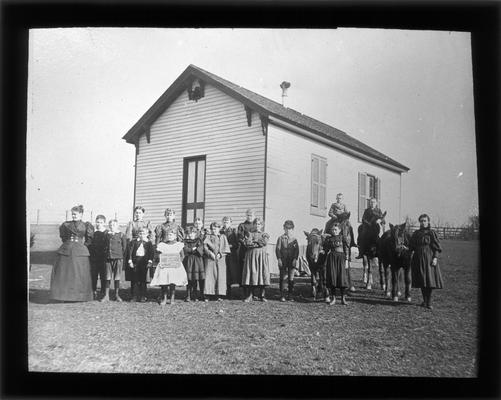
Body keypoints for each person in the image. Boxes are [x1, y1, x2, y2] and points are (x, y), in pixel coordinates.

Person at [49, 205, 94, 302]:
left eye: (76, 214)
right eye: (72, 214)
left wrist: (82, 246)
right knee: (65, 273)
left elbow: (89, 239)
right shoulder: (66, 225)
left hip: (80, 251)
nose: (74, 216)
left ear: (81, 214)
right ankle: (63, 296)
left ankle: (79, 296)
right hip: (67, 249)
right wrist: (69, 244)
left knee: (79, 273)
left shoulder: (86, 225)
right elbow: (63, 237)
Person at [409, 214, 443, 310]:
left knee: (430, 280)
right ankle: (424, 301)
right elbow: (411, 246)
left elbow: (436, 247)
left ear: (428, 221)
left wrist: (435, 258)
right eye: (421, 221)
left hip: (429, 258)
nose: (423, 222)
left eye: (425, 220)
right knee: (422, 280)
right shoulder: (416, 233)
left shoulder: (432, 233)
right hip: (418, 259)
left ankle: (429, 302)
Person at [150, 229, 188, 305]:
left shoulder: (178, 245)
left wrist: (177, 262)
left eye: (171, 235)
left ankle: (172, 298)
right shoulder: (162, 245)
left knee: (172, 282)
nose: (169, 236)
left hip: (174, 267)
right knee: (164, 282)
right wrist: (160, 258)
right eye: (168, 235)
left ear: (175, 236)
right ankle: (164, 298)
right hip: (165, 267)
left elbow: (182, 256)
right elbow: (158, 255)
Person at [241, 217, 270, 302]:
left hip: (261, 256)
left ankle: (262, 295)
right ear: (253, 225)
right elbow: (247, 243)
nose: (257, 225)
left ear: (262, 225)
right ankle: (249, 295)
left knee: (262, 274)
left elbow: (263, 243)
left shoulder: (265, 234)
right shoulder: (250, 234)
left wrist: (254, 242)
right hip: (251, 256)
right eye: (256, 224)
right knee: (251, 274)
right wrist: (256, 242)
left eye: (259, 224)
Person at [101, 219, 127, 302]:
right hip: (108, 259)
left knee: (117, 277)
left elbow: (124, 248)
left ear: (117, 226)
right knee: (107, 277)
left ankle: (116, 295)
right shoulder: (106, 235)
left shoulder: (122, 235)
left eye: (114, 225)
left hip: (118, 259)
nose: (112, 227)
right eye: (110, 225)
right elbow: (103, 246)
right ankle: (106, 295)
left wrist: (120, 256)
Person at [323, 223, 349, 305]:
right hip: (332, 259)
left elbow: (346, 249)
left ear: (340, 230)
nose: (334, 231)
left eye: (336, 230)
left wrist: (347, 260)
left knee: (342, 278)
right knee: (333, 278)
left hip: (341, 259)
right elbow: (326, 249)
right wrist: (322, 251)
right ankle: (333, 298)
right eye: (332, 230)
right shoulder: (329, 239)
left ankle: (343, 299)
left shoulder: (343, 238)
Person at [203, 222, 231, 301]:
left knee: (220, 276)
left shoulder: (223, 237)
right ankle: (208, 294)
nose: (214, 230)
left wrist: (221, 254)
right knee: (210, 275)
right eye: (212, 229)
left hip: (220, 259)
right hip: (210, 258)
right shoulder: (208, 237)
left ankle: (219, 294)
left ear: (219, 229)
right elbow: (205, 247)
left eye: (215, 229)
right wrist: (210, 253)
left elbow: (226, 248)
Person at [125, 227, 154, 302]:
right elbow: (130, 252)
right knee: (134, 280)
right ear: (138, 234)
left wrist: (150, 262)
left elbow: (151, 253)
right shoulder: (133, 242)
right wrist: (130, 261)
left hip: (144, 262)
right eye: (140, 233)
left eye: (144, 233)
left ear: (147, 234)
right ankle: (134, 295)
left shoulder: (149, 243)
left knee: (143, 280)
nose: (142, 235)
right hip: (135, 262)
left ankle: (143, 296)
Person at [275, 220, 299, 302]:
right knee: (283, 278)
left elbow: (297, 251)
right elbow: (277, 249)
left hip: (291, 261)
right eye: (286, 228)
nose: (288, 230)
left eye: (290, 228)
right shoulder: (281, 238)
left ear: (292, 229)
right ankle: (282, 294)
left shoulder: (294, 240)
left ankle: (290, 294)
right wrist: (279, 259)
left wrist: (295, 259)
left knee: (291, 278)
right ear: (284, 228)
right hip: (283, 261)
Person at [182, 226, 205, 302]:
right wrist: (193, 249)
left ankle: (195, 295)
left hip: (197, 261)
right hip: (188, 261)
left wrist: (193, 250)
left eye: (192, 233)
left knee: (195, 278)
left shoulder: (199, 240)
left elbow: (200, 250)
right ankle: (188, 295)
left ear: (195, 233)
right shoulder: (185, 241)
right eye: (189, 233)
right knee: (189, 279)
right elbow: (186, 250)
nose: (191, 235)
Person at [88, 214, 108, 300]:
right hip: (94, 257)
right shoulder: (94, 234)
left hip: (104, 258)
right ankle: (94, 291)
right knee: (94, 275)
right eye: (97, 222)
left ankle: (103, 292)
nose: (99, 224)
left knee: (104, 275)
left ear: (104, 223)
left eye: (101, 222)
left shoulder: (107, 233)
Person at [237, 209, 256, 297]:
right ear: (246, 216)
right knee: (244, 271)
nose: (249, 217)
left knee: (253, 270)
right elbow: (240, 237)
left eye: (251, 215)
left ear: (254, 216)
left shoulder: (256, 225)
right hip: (244, 250)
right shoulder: (242, 225)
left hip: (254, 251)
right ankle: (245, 292)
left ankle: (254, 292)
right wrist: (246, 244)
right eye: (248, 215)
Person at [221, 216, 239, 298]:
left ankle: (230, 292)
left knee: (231, 272)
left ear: (230, 223)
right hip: (222, 255)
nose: (225, 223)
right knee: (223, 272)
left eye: (227, 222)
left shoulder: (233, 231)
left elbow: (236, 244)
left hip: (231, 255)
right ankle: (223, 291)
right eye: (224, 222)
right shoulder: (220, 231)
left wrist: (228, 246)